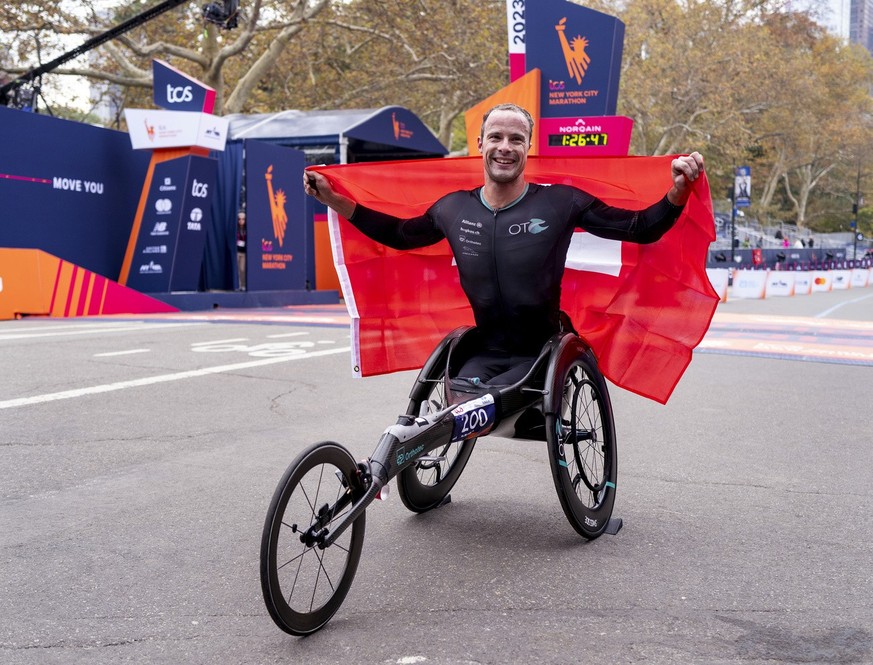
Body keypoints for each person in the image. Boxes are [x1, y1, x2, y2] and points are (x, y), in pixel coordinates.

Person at [304, 103, 704, 386]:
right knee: (454, 401)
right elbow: (399, 235)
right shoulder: (453, 208)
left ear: (528, 147)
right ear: (480, 143)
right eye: (496, 136)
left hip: (542, 353)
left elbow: (639, 228)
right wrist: (335, 200)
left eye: (516, 138)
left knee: (480, 402)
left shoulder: (561, 202)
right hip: (484, 352)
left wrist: (679, 190)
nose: (505, 147)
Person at [236, 209, 247, 291]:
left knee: (242, 269)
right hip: (236, 251)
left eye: (243, 219)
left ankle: (243, 286)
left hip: (243, 252)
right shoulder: (235, 229)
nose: (241, 221)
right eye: (239, 219)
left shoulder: (247, 229)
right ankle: (237, 286)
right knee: (236, 270)